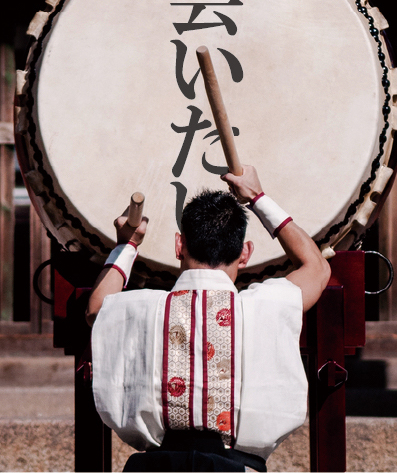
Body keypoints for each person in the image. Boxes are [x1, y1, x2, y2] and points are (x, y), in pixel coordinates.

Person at [86, 165, 331, 472]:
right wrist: (257, 197)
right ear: (245, 253)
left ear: (179, 245)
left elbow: (97, 308)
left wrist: (127, 245)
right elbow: (317, 268)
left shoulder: (145, 308)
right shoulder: (263, 307)